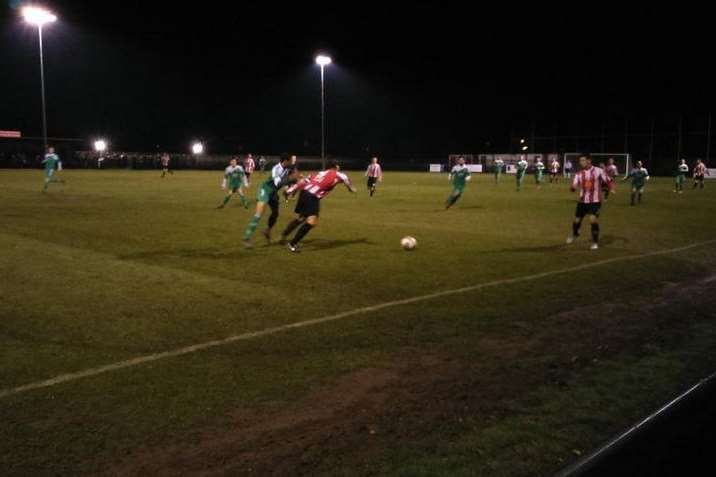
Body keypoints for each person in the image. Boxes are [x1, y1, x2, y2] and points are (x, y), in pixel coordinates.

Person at [280, 160, 356, 252]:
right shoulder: (340, 174)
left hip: (304, 193)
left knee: (301, 218)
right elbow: (349, 185)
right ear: (336, 167)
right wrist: (352, 189)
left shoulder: (319, 173)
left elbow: (303, 181)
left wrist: (289, 190)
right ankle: (292, 244)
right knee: (312, 221)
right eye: (338, 166)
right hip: (312, 196)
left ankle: (284, 234)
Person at [242, 154, 297, 248]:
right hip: (265, 190)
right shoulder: (276, 168)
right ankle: (246, 238)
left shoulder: (289, 169)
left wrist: (291, 188)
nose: (292, 162)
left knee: (275, 214)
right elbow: (277, 183)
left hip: (273, 193)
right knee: (259, 214)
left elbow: (288, 183)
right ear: (285, 161)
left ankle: (267, 231)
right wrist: (291, 179)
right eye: (291, 161)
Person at [566, 154, 613, 251]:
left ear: (589, 161)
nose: (581, 162)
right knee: (576, 221)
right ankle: (575, 234)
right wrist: (573, 188)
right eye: (580, 161)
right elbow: (574, 184)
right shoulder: (579, 173)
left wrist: (611, 188)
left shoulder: (598, 171)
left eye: (583, 160)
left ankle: (595, 243)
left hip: (595, 201)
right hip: (582, 201)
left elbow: (608, 180)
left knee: (592, 220)